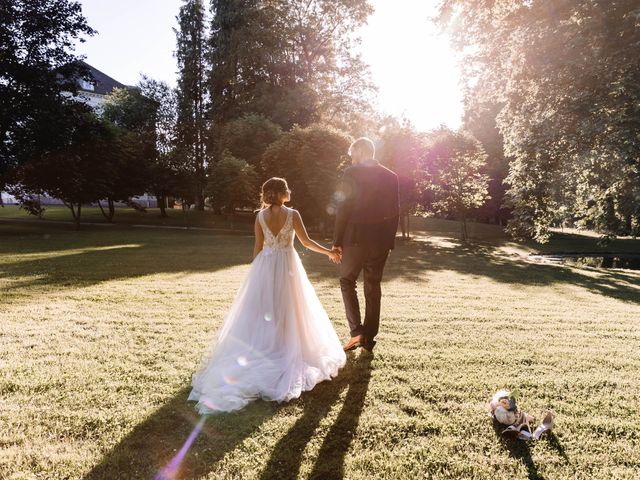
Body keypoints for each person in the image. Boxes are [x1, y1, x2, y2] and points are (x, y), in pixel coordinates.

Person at [188, 177, 346, 414]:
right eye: (287, 189)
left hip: (265, 265)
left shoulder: (260, 216)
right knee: (289, 308)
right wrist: (328, 252)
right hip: (286, 266)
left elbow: (258, 247)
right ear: (282, 192)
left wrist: (255, 273)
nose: (290, 191)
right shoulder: (292, 214)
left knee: (265, 311)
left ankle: (270, 347)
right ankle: (283, 347)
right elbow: (306, 242)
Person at [333, 137, 399, 353]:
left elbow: (343, 208)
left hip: (355, 239)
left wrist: (337, 241)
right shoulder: (391, 176)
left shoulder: (351, 173)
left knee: (346, 281)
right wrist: (388, 242)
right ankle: (368, 340)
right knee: (372, 287)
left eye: (352, 153)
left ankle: (357, 333)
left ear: (360, 151)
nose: (351, 158)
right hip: (380, 242)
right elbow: (394, 212)